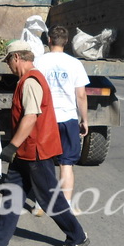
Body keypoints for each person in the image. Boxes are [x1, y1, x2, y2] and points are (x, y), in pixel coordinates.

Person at [0, 40, 89, 246]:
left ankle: (77, 237)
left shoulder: (31, 81)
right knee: (13, 194)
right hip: (25, 152)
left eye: (8, 60)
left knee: (48, 198)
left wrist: (11, 145)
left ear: (17, 57)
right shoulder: (27, 79)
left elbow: (31, 116)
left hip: (35, 150)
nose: (8, 65)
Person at [35, 26, 89, 211]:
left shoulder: (38, 62)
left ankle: (41, 203)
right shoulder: (75, 64)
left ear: (49, 40)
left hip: (45, 118)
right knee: (66, 163)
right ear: (66, 42)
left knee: (44, 161)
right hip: (68, 118)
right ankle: (65, 204)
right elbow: (81, 95)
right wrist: (84, 119)